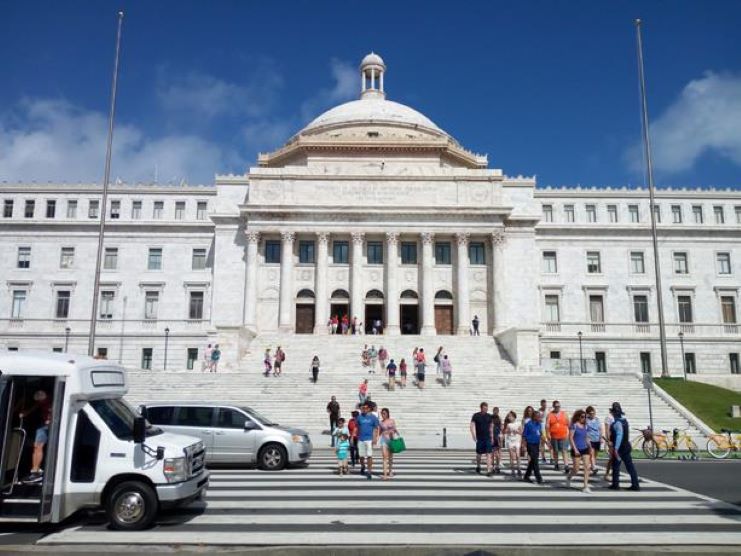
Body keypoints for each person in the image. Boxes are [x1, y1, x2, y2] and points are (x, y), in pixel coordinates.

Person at [19, 390, 52, 483]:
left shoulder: (53, 399)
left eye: (41, 401)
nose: (40, 403)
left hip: (53, 424)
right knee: (37, 446)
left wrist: (50, 419)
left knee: (49, 447)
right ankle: (35, 471)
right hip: (44, 425)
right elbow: (35, 407)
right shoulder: (40, 402)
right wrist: (26, 413)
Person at [608, 402, 640, 491]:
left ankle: (615, 484)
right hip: (626, 446)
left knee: (616, 466)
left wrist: (616, 449)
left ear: (614, 413)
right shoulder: (625, 421)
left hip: (620, 448)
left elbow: (619, 435)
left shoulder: (617, 423)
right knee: (630, 467)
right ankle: (635, 484)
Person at [567, 409, 592, 492]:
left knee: (586, 467)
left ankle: (585, 486)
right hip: (576, 449)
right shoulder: (574, 425)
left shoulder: (586, 426)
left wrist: (590, 446)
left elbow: (586, 437)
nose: (584, 418)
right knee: (576, 469)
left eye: (585, 417)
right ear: (578, 417)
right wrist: (575, 449)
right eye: (582, 417)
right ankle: (570, 476)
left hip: (585, 448)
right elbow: (570, 438)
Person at [356, 402, 381, 479]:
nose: (364, 409)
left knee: (369, 455)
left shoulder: (373, 417)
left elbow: (376, 428)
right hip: (361, 439)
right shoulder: (359, 417)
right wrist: (355, 437)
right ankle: (363, 466)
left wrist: (375, 438)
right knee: (361, 456)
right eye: (363, 408)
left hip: (369, 439)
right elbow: (357, 428)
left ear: (369, 409)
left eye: (366, 408)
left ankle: (369, 471)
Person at [470, 402, 493, 476]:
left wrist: (492, 436)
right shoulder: (476, 415)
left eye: (487, 408)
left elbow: (491, 427)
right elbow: (472, 425)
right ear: (481, 408)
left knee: (489, 453)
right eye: (484, 408)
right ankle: (478, 466)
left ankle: (488, 470)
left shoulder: (489, 416)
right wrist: (473, 435)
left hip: (487, 438)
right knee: (479, 454)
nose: (486, 409)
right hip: (479, 438)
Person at [546, 400, 570, 471]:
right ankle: (556, 464)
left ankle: (566, 465)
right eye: (556, 406)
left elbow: (568, 424)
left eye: (558, 406)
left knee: (564, 450)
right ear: (553, 406)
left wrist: (569, 434)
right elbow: (547, 425)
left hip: (563, 435)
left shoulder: (564, 414)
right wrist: (548, 434)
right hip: (554, 436)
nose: (557, 407)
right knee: (555, 451)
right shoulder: (550, 414)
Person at [523, 410, 544, 484]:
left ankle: (526, 476)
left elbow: (540, 434)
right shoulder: (528, 424)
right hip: (530, 444)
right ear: (534, 416)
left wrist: (544, 443)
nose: (539, 417)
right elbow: (524, 435)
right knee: (535, 461)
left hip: (536, 444)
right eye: (538, 416)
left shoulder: (539, 424)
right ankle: (539, 478)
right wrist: (524, 446)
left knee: (533, 461)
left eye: (540, 416)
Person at [379, 408, 398, 480]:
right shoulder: (381, 422)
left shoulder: (392, 421)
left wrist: (393, 431)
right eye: (382, 413)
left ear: (387, 413)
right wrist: (376, 438)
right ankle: (385, 474)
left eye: (384, 413)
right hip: (383, 440)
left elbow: (395, 429)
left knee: (390, 457)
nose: (383, 414)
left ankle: (390, 471)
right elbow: (380, 431)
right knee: (384, 457)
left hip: (391, 440)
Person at [504, 411, 522, 478]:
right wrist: (509, 431)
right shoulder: (508, 424)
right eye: (509, 416)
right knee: (511, 456)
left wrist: (517, 431)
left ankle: (519, 468)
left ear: (514, 417)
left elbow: (521, 432)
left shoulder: (518, 423)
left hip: (517, 440)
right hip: (510, 441)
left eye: (510, 416)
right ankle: (513, 470)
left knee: (517, 455)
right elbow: (505, 431)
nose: (509, 417)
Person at [585, 405, 602, 473]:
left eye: (593, 413)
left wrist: (601, 438)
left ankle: (592, 465)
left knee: (595, 454)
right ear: (588, 413)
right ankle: (593, 467)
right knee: (591, 453)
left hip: (597, 439)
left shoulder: (597, 419)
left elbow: (600, 429)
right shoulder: (586, 420)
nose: (592, 414)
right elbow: (584, 430)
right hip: (590, 439)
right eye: (590, 413)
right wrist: (586, 438)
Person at [538, 399, 550, 463]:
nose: (544, 405)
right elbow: (537, 419)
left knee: (549, 442)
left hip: (548, 427)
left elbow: (549, 418)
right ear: (541, 404)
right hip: (541, 427)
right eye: (543, 404)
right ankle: (543, 458)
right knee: (542, 442)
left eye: (545, 404)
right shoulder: (539, 411)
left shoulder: (548, 411)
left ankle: (552, 458)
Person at [491, 406, 503, 473]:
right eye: (494, 410)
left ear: (498, 411)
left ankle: (497, 466)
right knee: (492, 453)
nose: (495, 412)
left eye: (497, 411)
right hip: (492, 436)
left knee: (497, 453)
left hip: (497, 436)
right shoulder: (490, 417)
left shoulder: (499, 418)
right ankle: (492, 466)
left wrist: (501, 436)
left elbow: (501, 427)